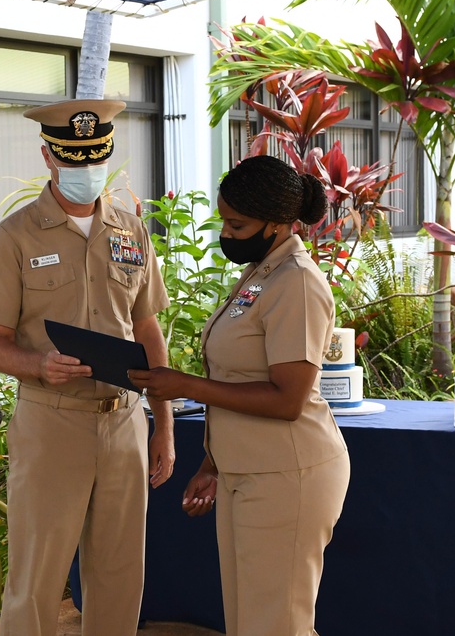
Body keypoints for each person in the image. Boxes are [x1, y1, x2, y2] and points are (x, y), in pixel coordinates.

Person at [0, 98, 175, 636]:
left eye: (95, 159)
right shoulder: (14, 237)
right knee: (37, 574)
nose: (87, 172)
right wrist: (38, 364)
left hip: (125, 418)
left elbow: (147, 328)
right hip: (51, 419)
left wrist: (165, 424)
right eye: (74, 161)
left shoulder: (131, 230)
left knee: (120, 570)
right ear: (48, 156)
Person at [128, 155, 350, 636]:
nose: (226, 234)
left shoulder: (297, 282)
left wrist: (183, 385)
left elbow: (287, 400)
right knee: (252, 621)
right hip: (245, 471)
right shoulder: (262, 271)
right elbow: (236, 374)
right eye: (224, 221)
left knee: (278, 624)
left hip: (286, 473)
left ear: (277, 223)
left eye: (237, 224)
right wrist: (214, 464)